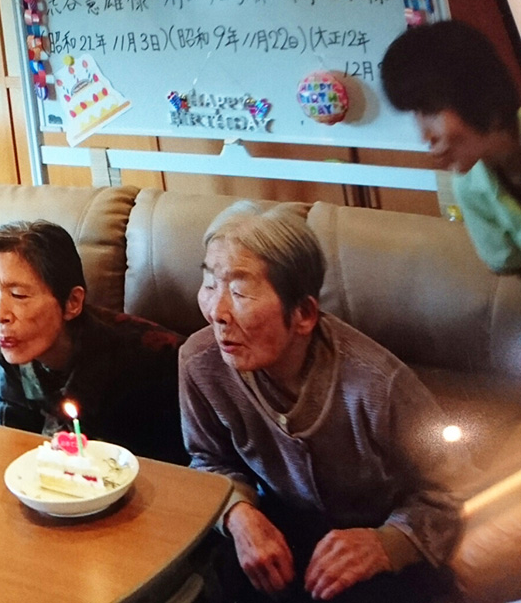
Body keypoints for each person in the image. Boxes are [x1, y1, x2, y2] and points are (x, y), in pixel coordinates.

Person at [179, 201, 465, 602]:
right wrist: (239, 515)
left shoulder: (378, 385)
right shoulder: (200, 362)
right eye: (210, 284)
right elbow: (208, 460)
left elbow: (453, 489)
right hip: (283, 531)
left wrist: (388, 543)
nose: (216, 312)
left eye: (240, 291)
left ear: (304, 314)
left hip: (376, 540)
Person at [0, 220, 187, 465]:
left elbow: (162, 468)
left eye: (19, 295)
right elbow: (6, 429)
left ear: (72, 302)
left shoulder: (148, 361)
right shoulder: (1, 339)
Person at [381, 19, 521, 273]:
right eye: (415, 113)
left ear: (479, 96)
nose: (424, 136)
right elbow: (504, 262)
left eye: (430, 110)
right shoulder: (468, 186)